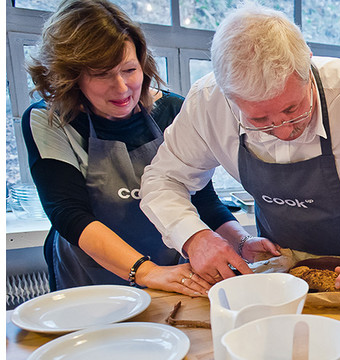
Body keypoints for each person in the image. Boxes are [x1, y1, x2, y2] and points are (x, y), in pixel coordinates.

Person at [139, 3, 340, 289]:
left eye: (293, 110)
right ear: (228, 97)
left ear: (307, 63)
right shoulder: (207, 104)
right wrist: (194, 237)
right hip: (278, 273)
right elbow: (162, 180)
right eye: (260, 120)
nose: (282, 132)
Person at [23, 0, 248, 296]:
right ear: (73, 76)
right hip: (90, 281)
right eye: (102, 74)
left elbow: (202, 200)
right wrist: (147, 272)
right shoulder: (50, 120)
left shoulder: (173, 110)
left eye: (129, 69)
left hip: (170, 272)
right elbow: (69, 214)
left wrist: (243, 242)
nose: (121, 87)